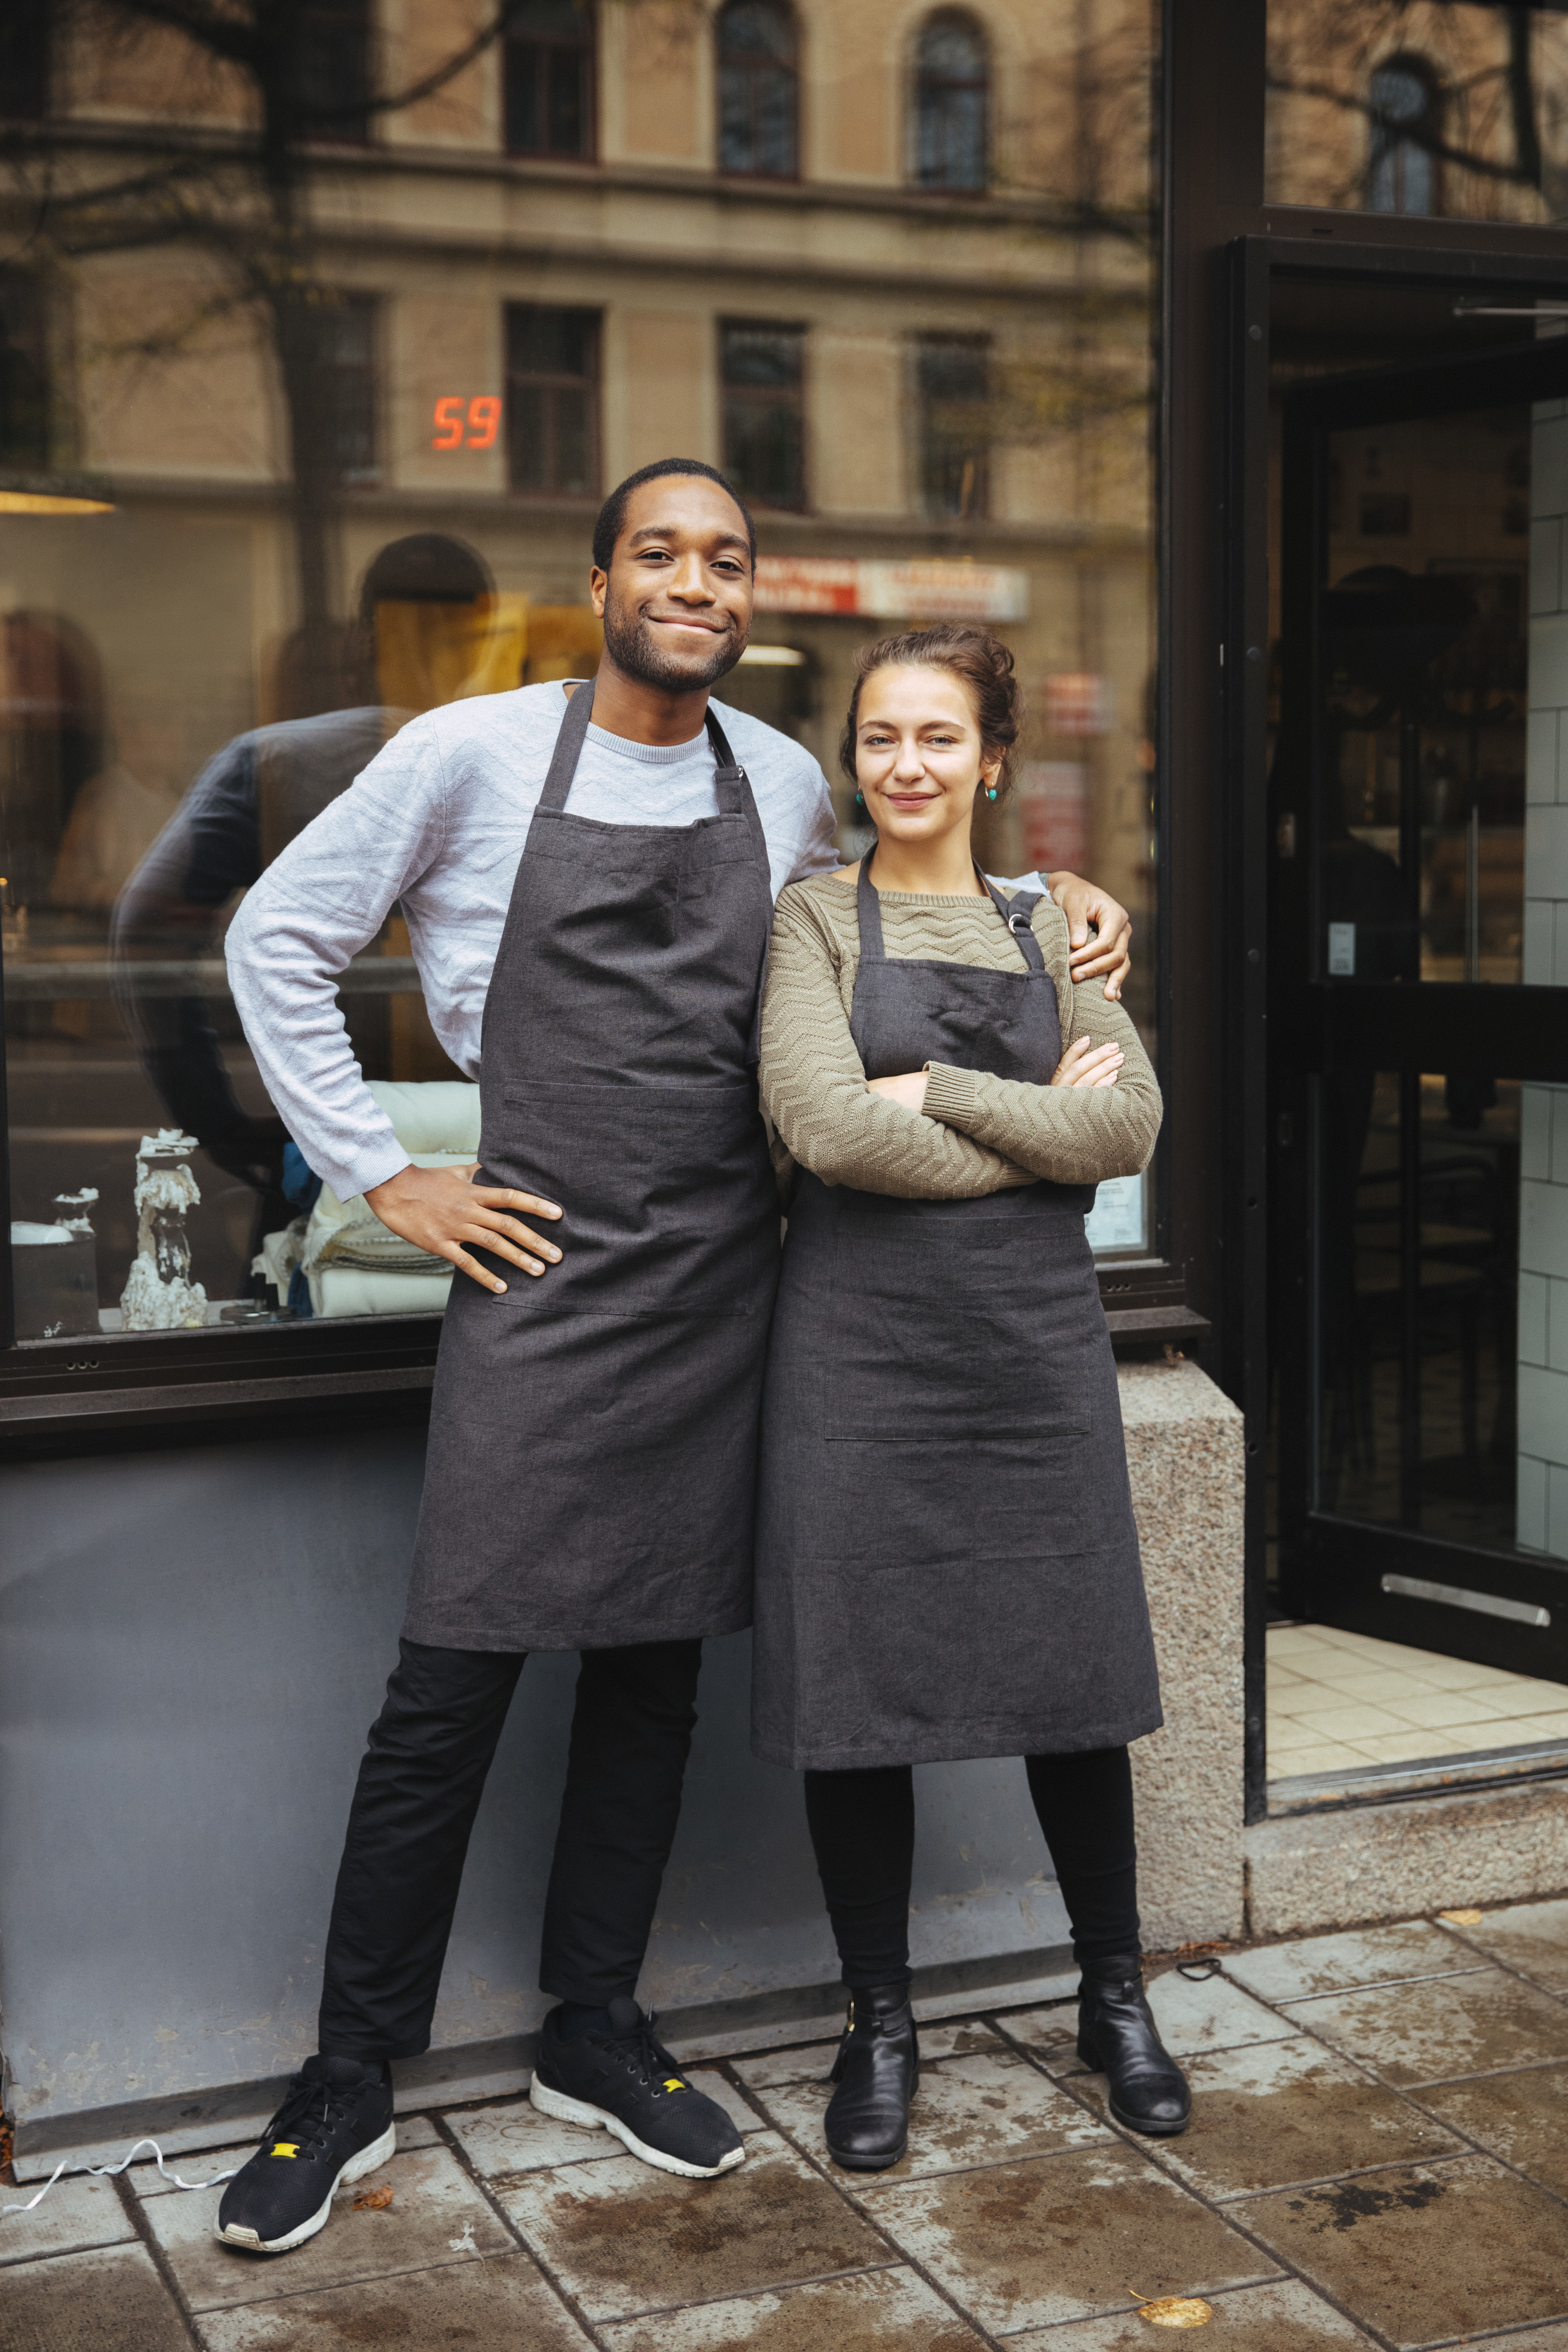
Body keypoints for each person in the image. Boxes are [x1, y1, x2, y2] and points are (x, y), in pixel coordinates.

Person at [215, 463, 1135, 2254]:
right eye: (661, 554)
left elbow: (896, 897)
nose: (694, 582)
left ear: (746, 596)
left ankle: (595, 2026)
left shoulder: (778, 780)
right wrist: (383, 1176)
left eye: (724, 560)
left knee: (649, 1677)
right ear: (598, 580)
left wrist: (1061, 894)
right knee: (450, 1687)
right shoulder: (467, 755)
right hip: (542, 1276)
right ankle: (343, 2075)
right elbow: (279, 936)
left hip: (723, 1274)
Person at [751, 623, 1188, 2172]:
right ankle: (883, 2019)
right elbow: (821, 1131)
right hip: (858, 1361)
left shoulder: (1046, 922)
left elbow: (1129, 1120)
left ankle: (1113, 1995)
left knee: (1073, 1678)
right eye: (881, 738)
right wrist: (1028, 1135)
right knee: (860, 1697)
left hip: (1027, 1357)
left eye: (941, 737)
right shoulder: (812, 917)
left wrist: (937, 1090)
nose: (909, 764)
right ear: (855, 756)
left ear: (992, 759)